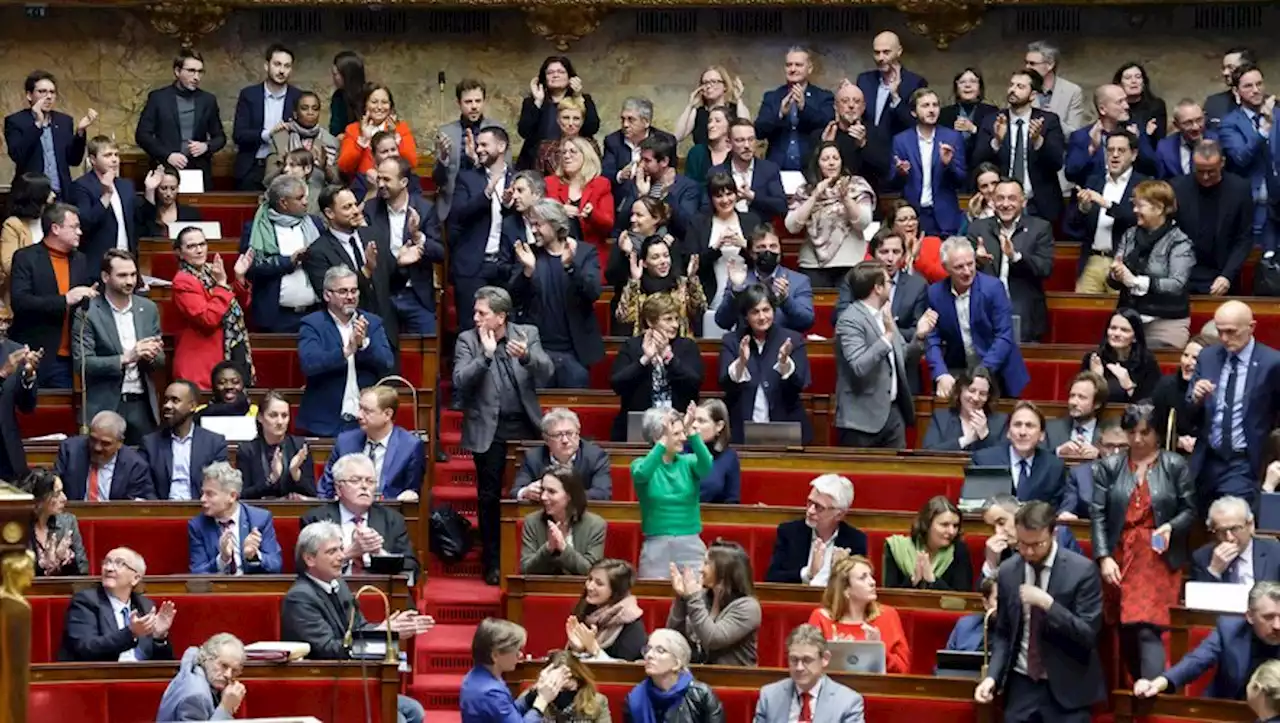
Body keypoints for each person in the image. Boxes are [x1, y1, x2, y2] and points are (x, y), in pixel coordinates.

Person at [281, 521, 431, 723]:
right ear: (309, 558)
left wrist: (386, 630)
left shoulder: (338, 584)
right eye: (332, 551)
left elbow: (359, 627)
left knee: (414, 711)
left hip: (350, 678)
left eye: (341, 549)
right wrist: (381, 631)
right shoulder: (300, 598)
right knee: (398, 718)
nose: (341, 557)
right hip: (324, 684)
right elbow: (327, 650)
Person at [1091, 402, 1197, 683]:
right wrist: (1103, 557)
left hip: (1157, 553)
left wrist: (1170, 526)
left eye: (1145, 432)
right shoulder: (1110, 466)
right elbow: (1098, 514)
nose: (1137, 439)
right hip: (1119, 552)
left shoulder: (1175, 465)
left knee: (1148, 625)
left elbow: (1190, 510)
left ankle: (1154, 693)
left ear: (1158, 433)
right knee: (1125, 625)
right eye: (1132, 432)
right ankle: (1135, 688)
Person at [455, 286, 553, 585]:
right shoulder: (468, 340)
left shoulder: (526, 333)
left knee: (536, 492)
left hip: (525, 426)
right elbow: (460, 381)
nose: (475, 317)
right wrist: (484, 357)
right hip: (489, 430)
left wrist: (527, 358)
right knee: (489, 498)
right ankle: (492, 560)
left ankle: (533, 557)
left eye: (482, 313)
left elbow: (547, 371)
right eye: (475, 312)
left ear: (500, 316)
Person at [973, 502, 1106, 721]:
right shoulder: (1008, 571)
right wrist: (992, 677)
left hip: (1068, 689)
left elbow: (1088, 635)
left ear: (1053, 533)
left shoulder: (1082, 571)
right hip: (1022, 686)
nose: (1028, 551)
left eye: (1036, 544)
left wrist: (1049, 606)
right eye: (1022, 544)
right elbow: (1004, 633)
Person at [1186, 300, 1280, 510]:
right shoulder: (1208, 357)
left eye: (1231, 332)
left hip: (1244, 461)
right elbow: (1188, 413)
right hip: (1207, 459)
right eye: (1220, 332)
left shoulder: (1272, 363)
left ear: (1251, 327)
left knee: (1232, 518)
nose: (1224, 339)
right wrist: (1196, 398)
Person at [834, 260, 935, 449]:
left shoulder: (884, 314)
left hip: (892, 414)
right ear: (877, 288)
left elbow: (902, 357)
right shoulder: (850, 320)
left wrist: (919, 337)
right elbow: (858, 366)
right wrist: (887, 336)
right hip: (860, 421)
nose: (891, 285)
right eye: (888, 282)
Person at [72, 249, 164, 444]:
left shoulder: (148, 309)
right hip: (106, 404)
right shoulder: (88, 313)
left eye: (133, 274)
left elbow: (161, 361)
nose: (130, 281)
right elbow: (82, 363)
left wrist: (152, 354)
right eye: (122, 275)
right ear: (105, 276)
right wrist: (126, 357)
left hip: (141, 404)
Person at [509, 198, 603, 388]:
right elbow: (513, 298)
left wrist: (570, 267)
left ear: (555, 224)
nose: (533, 230)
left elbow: (593, 292)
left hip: (575, 353)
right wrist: (527, 271)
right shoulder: (529, 254)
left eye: (538, 224)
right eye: (531, 224)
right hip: (537, 352)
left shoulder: (584, 253)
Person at [1133, 581, 1280, 701]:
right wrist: (1157, 684)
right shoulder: (1229, 630)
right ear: (1250, 616)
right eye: (1268, 617)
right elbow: (1196, 660)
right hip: (1225, 711)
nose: (1277, 626)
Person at [296, 265, 396, 437]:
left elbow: (387, 363)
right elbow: (309, 363)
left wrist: (364, 344)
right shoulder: (313, 324)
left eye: (354, 291)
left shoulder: (372, 323)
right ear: (327, 295)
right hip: (324, 421)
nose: (350, 297)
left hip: (365, 422)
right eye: (343, 291)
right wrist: (346, 351)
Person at [924, 237, 1030, 399]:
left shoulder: (993, 288)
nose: (967, 272)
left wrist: (984, 371)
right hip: (960, 369)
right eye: (959, 267)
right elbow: (932, 338)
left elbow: (1004, 336)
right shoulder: (935, 293)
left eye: (970, 264)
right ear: (946, 268)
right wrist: (940, 374)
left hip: (998, 370)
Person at [9, 202, 95, 388]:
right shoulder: (26, 257)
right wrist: (65, 300)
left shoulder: (80, 260)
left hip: (69, 358)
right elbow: (20, 302)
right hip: (34, 353)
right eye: (74, 227)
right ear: (55, 228)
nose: (80, 232)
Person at [300, 454, 420, 583]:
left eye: (370, 481)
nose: (364, 486)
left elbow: (412, 568)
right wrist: (348, 554)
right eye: (355, 480)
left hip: (382, 592)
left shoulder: (392, 519)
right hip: (331, 595)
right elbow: (307, 567)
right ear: (338, 488)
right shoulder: (316, 519)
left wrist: (380, 554)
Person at [970, 69, 1067, 225]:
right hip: (1001, 203)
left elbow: (1057, 162)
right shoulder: (992, 120)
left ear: (1033, 95)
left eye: (1020, 87)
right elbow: (977, 162)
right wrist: (997, 141)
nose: (1012, 90)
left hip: (1039, 204)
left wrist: (1038, 141)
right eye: (1012, 85)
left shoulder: (1048, 121)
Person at [719, 284, 811, 443]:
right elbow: (726, 385)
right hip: (741, 430)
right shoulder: (732, 341)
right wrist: (741, 362)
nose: (762, 317)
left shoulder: (793, 339)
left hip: (785, 428)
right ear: (746, 316)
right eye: (755, 312)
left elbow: (800, 384)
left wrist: (784, 363)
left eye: (766, 310)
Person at [1109, 179, 1194, 349]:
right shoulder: (1130, 235)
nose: (1134, 210)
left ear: (1159, 208)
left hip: (1165, 323)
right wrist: (1116, 274)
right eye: (1134, 205)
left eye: (1140, 206)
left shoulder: (1179, 241)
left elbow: (1177, 284)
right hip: (1129, 319)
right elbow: (1117, 273)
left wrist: (1136, 282)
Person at [967, 179, 1054, 342]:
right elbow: (961, 272)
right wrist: (975, 260)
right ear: (993, 201)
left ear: (1023, 201)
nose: (1005, 204)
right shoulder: (978, 228)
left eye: (1012, 198)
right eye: (1000, 198)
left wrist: (1015, 257)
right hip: (984, 311)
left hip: (1024, 311)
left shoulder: (1040, 228)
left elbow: (1045, 268)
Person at [449, 127, 517, 329]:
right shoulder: (467, 178)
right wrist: (486, 194)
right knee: (470, 327)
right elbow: (459, 214)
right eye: (478, 145)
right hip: (473, 265)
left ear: (501, 146)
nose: (479, 149)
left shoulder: (517, 178)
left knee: (506, 327)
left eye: (484, 144)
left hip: (506, 265)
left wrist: (508, 206)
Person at [57, 546, 176, 662]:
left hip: (141, 677)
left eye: (119, 563)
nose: (109, 568)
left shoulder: (145, 606)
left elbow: (163, 666)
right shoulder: (85, 602)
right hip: (104, 677)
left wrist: (159, 637)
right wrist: (130, 633)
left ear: (135, 578)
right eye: (106, 562)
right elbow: (86, 648)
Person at [610, 294, 703, 442]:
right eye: (668, 319)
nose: (675, 325)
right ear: (650, 321)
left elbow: (695, 383)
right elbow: (617, 384)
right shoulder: (632, 346)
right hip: (639, 424)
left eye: (676, 319)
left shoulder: (687, 346)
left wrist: (670, 359)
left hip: (679, 425)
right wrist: (644, 360)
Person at [633, 404, 711, 579]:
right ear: (657, 437)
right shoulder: (639, 464)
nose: (683, 438)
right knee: (654, 599)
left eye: (683, 432)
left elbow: (706, 465)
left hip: (691, 544)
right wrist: (662, 442)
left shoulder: (689, 462)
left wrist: (692, 432)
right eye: (676, 434)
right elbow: (642, 474)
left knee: (698, 597)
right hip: (656, 548)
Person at [785, 140, 876, 288]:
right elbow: (792, 226)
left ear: (842, 161)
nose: (831, 163)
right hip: (813, 265)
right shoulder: (805, 191)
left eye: (835, 158)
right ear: (817, 164)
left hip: (850, 263)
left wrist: (846, 199)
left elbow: (863, 222)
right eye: (825, 159)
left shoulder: (857, 186)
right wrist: (814, 196)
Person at [171, 227, 253, 390]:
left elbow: (235, 304)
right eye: (191, 246)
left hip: (224, 355)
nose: (199, 250)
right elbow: (207, 318)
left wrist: (239, 278)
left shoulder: (210, 271)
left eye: (202, 244)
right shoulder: (183, 281)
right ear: (179, 252)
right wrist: (222, 285)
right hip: (199, 363)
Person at [1170, 140, 1254, 296]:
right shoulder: (1177, 187)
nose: (1206, 177)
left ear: (1222, 163)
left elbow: (1244, 238)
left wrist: (1227, 275)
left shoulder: (1240, 189)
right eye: (1200, 171)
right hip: (1184, 274)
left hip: (1223, 272)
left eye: (1211, 171)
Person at [1066, 130, 1145, 294]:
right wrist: (1083, 208)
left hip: (1124, 263)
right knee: (1082, 312)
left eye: (1121, 150)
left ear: (1134, 154)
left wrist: (1106, 204)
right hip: (1093, 260)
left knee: (1120, 316)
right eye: (1110, 150)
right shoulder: (1094, 181)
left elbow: (1139, 219)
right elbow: (1072, 225)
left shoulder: (1144, 184)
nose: (1114, 155)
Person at [806, 551, 911, 673]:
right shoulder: (821, 618)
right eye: (863, 578)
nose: (872, 582)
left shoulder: (888, 616)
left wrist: (878, 650)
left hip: (877, 689)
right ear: (846, 590)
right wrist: (836, 656)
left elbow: (903, 670)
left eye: (871, 576)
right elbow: (808, 666)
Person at [134, 49, 226, 188]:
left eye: (200, 72)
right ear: (177, 71)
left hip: (197, 171)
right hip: (165, 170)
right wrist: (168, 155)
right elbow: (142, 135)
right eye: (191, 71)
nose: (197, 77)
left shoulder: (208, 100)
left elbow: (220, 137)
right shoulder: (158, 98)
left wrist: (205, 146)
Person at [245, 174, 323, 334]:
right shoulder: (256, 228)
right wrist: (288, 261)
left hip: (315, 313)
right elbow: (251, 266)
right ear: (283, 203)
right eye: (300, 198)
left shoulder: (315, 224)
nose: (306, 202)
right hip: (277, 317)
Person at [317, 385, 423, 501]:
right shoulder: (345, 442)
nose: (359, 415)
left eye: (367, 411)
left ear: (387, 414)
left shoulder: (410, 446)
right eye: (360, 408)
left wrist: (410, 494)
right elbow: (326, 488)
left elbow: (412, 490)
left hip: (387, 515)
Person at [667, 539, 761, 666]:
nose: (700, 569)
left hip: (732, 680)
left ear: (723, 568)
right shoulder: (702, 598)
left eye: (706, 563)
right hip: (696, 676)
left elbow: (712, 639)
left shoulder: (748, 607)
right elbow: (674, 637)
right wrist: (682, 598)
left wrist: (692, 597)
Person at [890, 88, 968, 237]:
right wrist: (901, 172)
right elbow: (892, 182)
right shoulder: (901, 140)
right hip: (914, 216)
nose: (932, 110)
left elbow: (961, 180)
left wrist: (948, 164)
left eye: (935, 105)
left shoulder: (952, 138)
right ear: (913, 112)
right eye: (925, 106)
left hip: (945, 217)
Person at [4, 70, 94, 198]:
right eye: (42, 92)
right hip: (31, 197)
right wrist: (37, 124)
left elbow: (74, 160)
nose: (49, 96)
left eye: (52, 92)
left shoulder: (64, 121)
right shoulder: (15, 121)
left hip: (61, 196)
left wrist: (80, 132)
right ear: (29, 95)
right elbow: (18, 156)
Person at [765, 474, 868, 585]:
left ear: (839, 515)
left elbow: (860, 586)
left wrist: (840, 572)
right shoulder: (789, 533)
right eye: (810, 502)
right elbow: (772, 578)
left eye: (819, 507)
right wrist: (807, 574)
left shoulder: (855, 541)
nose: (810, 510)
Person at [1218, 63, 1278, 253]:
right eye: (1248, 86)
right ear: (1236, 90)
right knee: (1254, 260)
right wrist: (1263, 130)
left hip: (1277, 200)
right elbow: (1241, 158)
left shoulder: (1278, 115)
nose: (1256, 90)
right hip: (1250, 202)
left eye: (1259, 84)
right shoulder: (1229, 123)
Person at [461, 617, 568, 723]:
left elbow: (509, 714)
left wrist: (535, 692)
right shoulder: (490, 692)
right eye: (515, 650)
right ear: (495, 655)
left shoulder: (480, 677)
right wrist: (542, 701)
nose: (520, 655)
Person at [753, 623, 866, 723]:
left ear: (825, 659)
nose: (799, 667)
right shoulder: (770, 696)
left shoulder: (848, 702)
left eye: (807, 660)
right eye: (794, 659)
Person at [713, 226, 813, 336]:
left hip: (785, 345)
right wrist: (736, 291)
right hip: (748, 346)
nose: (768, 251)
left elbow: (806, 322)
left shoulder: (799, 281)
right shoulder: (740, 280)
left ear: (780, 251)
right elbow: (722, 322)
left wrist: (786, 300)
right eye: (761, 247)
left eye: (773, 246)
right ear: (751, 253)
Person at [970, 401, 1069, 511]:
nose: (1022, 432)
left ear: (1042, 435)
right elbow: (973, 507)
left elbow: (1054, 511)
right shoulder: (984, 460)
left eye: (1029, 426)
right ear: (1008, 432)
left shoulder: (1054, 467)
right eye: (1017, 425)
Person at [188, 462, 283, 575]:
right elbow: (198, 572)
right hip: (217, 590)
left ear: (232, 496)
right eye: (203, 493)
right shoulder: (197, 526)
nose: (202, 499)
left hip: (252, 588)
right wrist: (222, 559)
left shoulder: (260, 519)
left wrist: (254, 556)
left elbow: (276, 565)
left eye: (210, 494)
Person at [141, 380, 229, 501]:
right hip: (162, 511)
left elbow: (219, 485)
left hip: (202, 509)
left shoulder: (214, 442)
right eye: (166, 400)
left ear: (192, 406)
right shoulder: (150, 443)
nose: (167, 406)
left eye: (175, 400)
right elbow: (145, 486)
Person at [432, 78, 506, 223]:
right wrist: (443, 158)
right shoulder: (445, 132)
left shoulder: (497, 130)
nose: (474, 106)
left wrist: (477, 161)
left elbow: (504, 171)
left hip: (487, 203)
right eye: (468, 102)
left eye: (478, 101)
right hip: (452, 206)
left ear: (484, 102)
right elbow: (438, 180)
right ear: (458, 103)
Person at [230, 44, 301, 191]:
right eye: (277, 64)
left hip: (285, 169)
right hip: (252, 166)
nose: (282, 70)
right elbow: (239, 135)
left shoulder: (298, 97)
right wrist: (268, 134)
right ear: (266, 65)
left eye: (287, 66)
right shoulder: (249, 95)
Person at [516, 55, 601, 171]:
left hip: (574, 160)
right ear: (544, 77)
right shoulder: (532, 101)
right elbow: (524, 131)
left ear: (570, 77)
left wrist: (579, 96)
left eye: (561, 72)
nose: (555, 75)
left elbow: (592, 128)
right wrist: (538, 101)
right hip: (537, 163)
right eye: (550, 72)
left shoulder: (583, 98)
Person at [755, 47, 835, 172]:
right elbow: (759, 131)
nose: (793, 69)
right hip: (777, 169)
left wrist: (804, 108)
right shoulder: (772, 97)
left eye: (798, 65)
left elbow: (827, 125)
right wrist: (780, 114)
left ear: (809, 69)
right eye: (789, 65)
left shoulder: (824, 97)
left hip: (811, 169)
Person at [616, 232, 706, 340]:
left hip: (680, 345)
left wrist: (692, 279)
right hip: (647, 344)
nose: (663, 261)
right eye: (655, 257)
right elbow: (624, 317)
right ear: (644, 263)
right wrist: (634, 281)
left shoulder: (681, 284)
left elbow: (700, 309)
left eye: (666, 256)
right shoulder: (637, 287)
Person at [520, 467, 607, 576]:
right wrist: (548, 548)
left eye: (551, 491)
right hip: (541, 588)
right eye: (543, 490)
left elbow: (592, 572)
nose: (543, 497)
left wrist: (563, 547)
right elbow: (525, 569)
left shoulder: (595, 525)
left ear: (569, 496)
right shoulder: (532, 521)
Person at [512, 408, 612, 502]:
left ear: (578, 434)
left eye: (569, 433)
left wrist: (562, 496)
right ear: (546, 439)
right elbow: (516, 491)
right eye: (557, 435)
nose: (565, 440)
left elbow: (602, 493)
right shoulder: (533, 457)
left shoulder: (595, 457)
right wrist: (526, 492)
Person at [626, 628, 726, 723]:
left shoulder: (702, 695)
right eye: (648, 649)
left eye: (660, 650)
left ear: (677, 664)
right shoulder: (634, 699)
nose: (649, 655)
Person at [54, 410, 154, 501]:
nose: (97, 448)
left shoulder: (135, 466)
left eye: (105, 443)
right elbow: (53, 487)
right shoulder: (70, 451)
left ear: (120, 442)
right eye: (93, 440)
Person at [981, 495, 1084, 580]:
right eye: (991, 528)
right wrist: (991, 563)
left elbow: (1078, 579)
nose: (998, 532)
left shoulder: (1059, 535)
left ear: (1018, 513)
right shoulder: (998, 550)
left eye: (1001, 522)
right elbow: (984, 595)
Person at [236, 390, 316, 499]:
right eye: (273, 415)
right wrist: (272, 479)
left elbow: (313, 493)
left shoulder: (299, 446)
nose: (280, 422)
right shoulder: (247, 450)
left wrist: (295, 473)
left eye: (284, 416)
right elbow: (243, 495)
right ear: (260, 417)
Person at [704, 118, 787, 223]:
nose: (747, 146)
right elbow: (705, 209)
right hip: (726, 228)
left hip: (760, 230)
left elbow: (781, 206)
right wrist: (730, 201)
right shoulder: (715, 172)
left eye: (751, 139)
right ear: (729, 143)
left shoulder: (769, 169)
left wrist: (752, 197)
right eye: (740, 140)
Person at [883, 496, 973, 592]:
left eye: (955, 526)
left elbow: (962, 600)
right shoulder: (897, 548)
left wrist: (933, 581)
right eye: (944, 525)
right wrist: (913, 580)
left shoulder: (959, 550)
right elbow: (890, 597)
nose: (952, 531)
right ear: (927, 524)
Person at [565, 558, 647, 662]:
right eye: (590, 579)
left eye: (599, 583)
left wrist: (594, 649)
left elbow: (625, 671)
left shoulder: (631, 624)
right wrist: (578, 650)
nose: (590, 587)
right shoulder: (586, 610)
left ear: (616, 590)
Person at [156, 633, 247, 722]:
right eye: (224, 666)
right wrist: (225, 709)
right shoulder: (197, 696)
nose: (228, 675)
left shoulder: (193, 668)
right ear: (206, 658)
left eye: (234, 670)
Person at [544, 137, 614, 251]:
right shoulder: (550, 183)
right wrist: (559, 211)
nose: (566, 156)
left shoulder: (601, 184)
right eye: (563, 152)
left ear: (586, 156)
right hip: (557, 250)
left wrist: (592, 214)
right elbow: (540, 216)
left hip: (590, 253)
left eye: (573, 151)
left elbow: (608, 225)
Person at [1191, 495, 1280, 585]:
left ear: (1251, 525)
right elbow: (1200, 597)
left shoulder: (1276, 553)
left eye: (1235, 529)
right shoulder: (1202, 558)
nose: (1230, 538)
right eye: (1221, 531)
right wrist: (1214, 570)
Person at [0, 172, 53, 317]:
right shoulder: (13, 225)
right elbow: (8, 264)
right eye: (49, 191)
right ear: (37, 195)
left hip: (51, 292)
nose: (53, 195)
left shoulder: (50, 220)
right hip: (25, 294)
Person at [336, 84, 417, 179]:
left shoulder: (401, 128)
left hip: (395, 184)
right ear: (365, 105)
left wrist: (395, 136)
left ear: (390, 107)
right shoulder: (353, 129)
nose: (379, 107)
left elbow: (412, 163)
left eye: (384, 102)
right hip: (364, 185)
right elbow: (344, 167)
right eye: (374, 102)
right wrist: (363, 140)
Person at [855, 31, 928, 138]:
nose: (881, 58)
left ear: (899, 51)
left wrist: (895, 98)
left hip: (898, 148)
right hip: (867, 146)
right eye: (877, 52)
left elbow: (917, 124)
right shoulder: (864, 80)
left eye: (886, 52)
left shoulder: (915, 83)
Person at [920, 366, 1009, 452]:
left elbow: (1004, 458)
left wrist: (985, 437)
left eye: (982, 393)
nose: (976, 398)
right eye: (971, 390)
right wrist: (965, 440)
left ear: (988, 397)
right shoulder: (941, 418)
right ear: (960, 390)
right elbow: (928, 452)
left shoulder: (1000, 422)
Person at [1082, 309, 1162, 404]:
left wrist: (1129, 385)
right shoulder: (1094, 358)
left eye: (1124, 330)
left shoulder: (1147, 361)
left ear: (1135, 337)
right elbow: (1082, 399)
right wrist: (1097, 378)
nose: (1116, 334)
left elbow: (1151, 403)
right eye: (1113, 328)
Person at [264, 91, 339, 191]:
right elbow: (267, 182)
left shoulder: (330, 141)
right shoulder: (281, 138)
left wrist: (325, 167)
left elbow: (338, 183)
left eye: (315, 109)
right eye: (304, 108)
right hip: (286, 195)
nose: (310, 112)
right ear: (295, 113)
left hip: (318, 197)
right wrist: (285, 164)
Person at [601, 96, 676, 194]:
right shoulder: (612, 141)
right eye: (623, 119)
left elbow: (669, 174)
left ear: (646, 122)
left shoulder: (665, 141)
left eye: (631, 119)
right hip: (621, 198)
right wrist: (620, 175)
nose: (625, 124)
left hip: (654, 196)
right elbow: (606, 172)